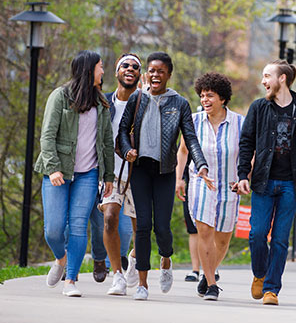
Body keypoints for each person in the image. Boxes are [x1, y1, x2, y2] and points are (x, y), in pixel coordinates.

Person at [118, 51, 212, 301]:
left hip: (165, 172)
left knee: (161, 227)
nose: (155, 74)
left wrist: (200, 163)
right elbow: (122, 132)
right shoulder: (137, 98)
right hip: (139, 169)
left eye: (160, 71)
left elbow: (189, 137)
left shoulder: (179, 103)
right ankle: (142, 283)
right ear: (146, 73)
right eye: (151, 70)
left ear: (168, 74)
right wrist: (128, 150)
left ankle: (166, 259)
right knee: (143, 225)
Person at [235, 60, 296, 306]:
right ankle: (260, 274)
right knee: (257, 234)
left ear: (282, 79)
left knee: (281, 239)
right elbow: (246, 143)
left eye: (267, 76)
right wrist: (243, 175)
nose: (263, 81)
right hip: (263, 181)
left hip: (290, 184)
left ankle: (272, 289)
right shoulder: (259, 107)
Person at [34, 50, 114, 297]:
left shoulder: (101, 103)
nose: (103, 71)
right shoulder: (60, 96)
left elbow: (107, 142)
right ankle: (61, 258)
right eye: (100, 67)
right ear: (89, 70)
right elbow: (47, 135)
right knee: (54, 230)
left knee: (78, 226)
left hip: (88, 175)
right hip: (58, 173)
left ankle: (70, 280)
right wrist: (54, 167)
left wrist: (108, 176)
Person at [176, 72, 244, 301]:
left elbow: (249, 155)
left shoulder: (239, 123)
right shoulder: (193, 122)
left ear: (223, 98)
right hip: (201, 183)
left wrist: (246, 177)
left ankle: (208, 272)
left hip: (230, 185)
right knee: (204, 231)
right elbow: (183, 151)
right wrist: (179, 178)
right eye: (202, 95)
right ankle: (212, 284)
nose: (205, 100)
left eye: (210, 95)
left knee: (223, 238)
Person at [97, 53, 143, 295]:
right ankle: (117, 275)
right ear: (116, 72)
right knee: (110, 218)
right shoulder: (103, 102)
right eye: (124, 65)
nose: (130, 69)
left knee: (141, 227)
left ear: (139, 75)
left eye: (135, 67)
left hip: (138, 173)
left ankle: (135, 257)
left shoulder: (144, 103)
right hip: (110, 173)